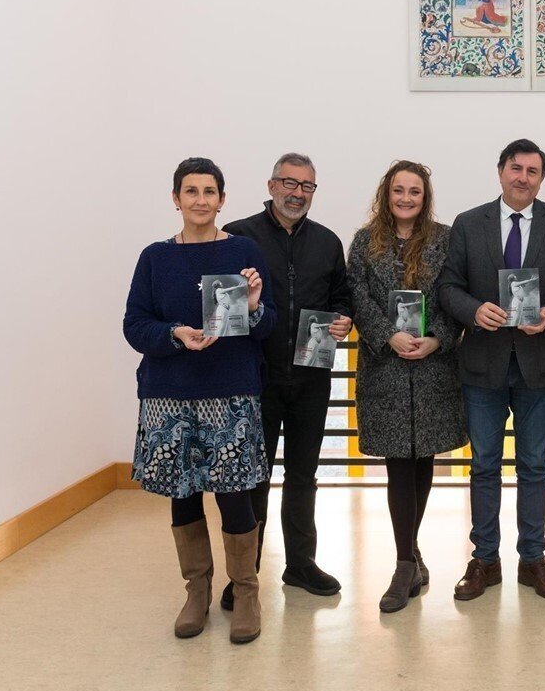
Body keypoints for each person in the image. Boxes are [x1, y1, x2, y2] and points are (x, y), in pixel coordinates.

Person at [123, 157, 275, 644]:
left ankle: (246, 592)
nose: (201, 200)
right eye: (191, 191)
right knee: (183, 494)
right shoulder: (154, 257)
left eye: (210, 192)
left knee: (234, 496)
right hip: (170, 396)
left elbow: (268, 325)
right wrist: (175, 333)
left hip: (230, 393)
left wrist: (254, 306)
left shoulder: (243, 251)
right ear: (176, 199)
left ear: (222, 200)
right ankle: (196, 592)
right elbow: (134, 324)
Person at [438, 138, 545, 601]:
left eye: (532, 171)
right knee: (484, 465)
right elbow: (448, 286)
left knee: (534, 466)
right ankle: (484, 559)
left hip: (536, 364)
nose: (523, 178)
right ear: (500, 171)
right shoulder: (468, 223)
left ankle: (532, 559)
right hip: (482, 364)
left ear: (542, 179)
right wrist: (472, 310)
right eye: (516, 168)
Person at [220, 153, 353, 608]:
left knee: (303, 475)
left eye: (306, 186)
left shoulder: (328, 242)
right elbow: (225, 305)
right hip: (254, 378)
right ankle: (245, 575)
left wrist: (344, 319)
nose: (297, 193)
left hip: (312, 377)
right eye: (289, 183)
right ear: (271, 185)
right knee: (252, 478)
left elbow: (341, 297)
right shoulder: (239, 236)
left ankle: (300, 564)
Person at [347, 161, 467, 613]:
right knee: (398, 463)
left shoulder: (445, 239)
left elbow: (454, 294)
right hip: (386, 368)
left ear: (425, 197)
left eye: (414, 191)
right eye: (398, 190)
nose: (405, 199)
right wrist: (387, 335)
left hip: (433, 368)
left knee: (423, 460)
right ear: (386, 194)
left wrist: (437, 337)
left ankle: (411, 552)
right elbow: (357, 296)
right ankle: (404, 563)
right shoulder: (364, 242)